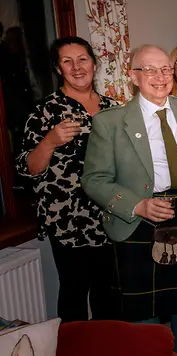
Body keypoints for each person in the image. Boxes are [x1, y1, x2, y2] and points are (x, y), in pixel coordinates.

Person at [82, 45, 177, 356]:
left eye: (165, 69)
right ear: (134, 76)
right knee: (143, 299)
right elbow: (93, 179)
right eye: (150, 70)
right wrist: (137, 205)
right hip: (141, 217)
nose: (160, 77)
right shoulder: (110, 122)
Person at [16, 36, 118, 322]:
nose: (76, 67)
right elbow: (28, 168)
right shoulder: (44, 112)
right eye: (67, 61)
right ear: (58, 69)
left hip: (109, 214)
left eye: (82, 59)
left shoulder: (115, 109)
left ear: (94, 65)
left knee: (108, 293)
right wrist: (48, 142)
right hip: (67, 221)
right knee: (74, 292)